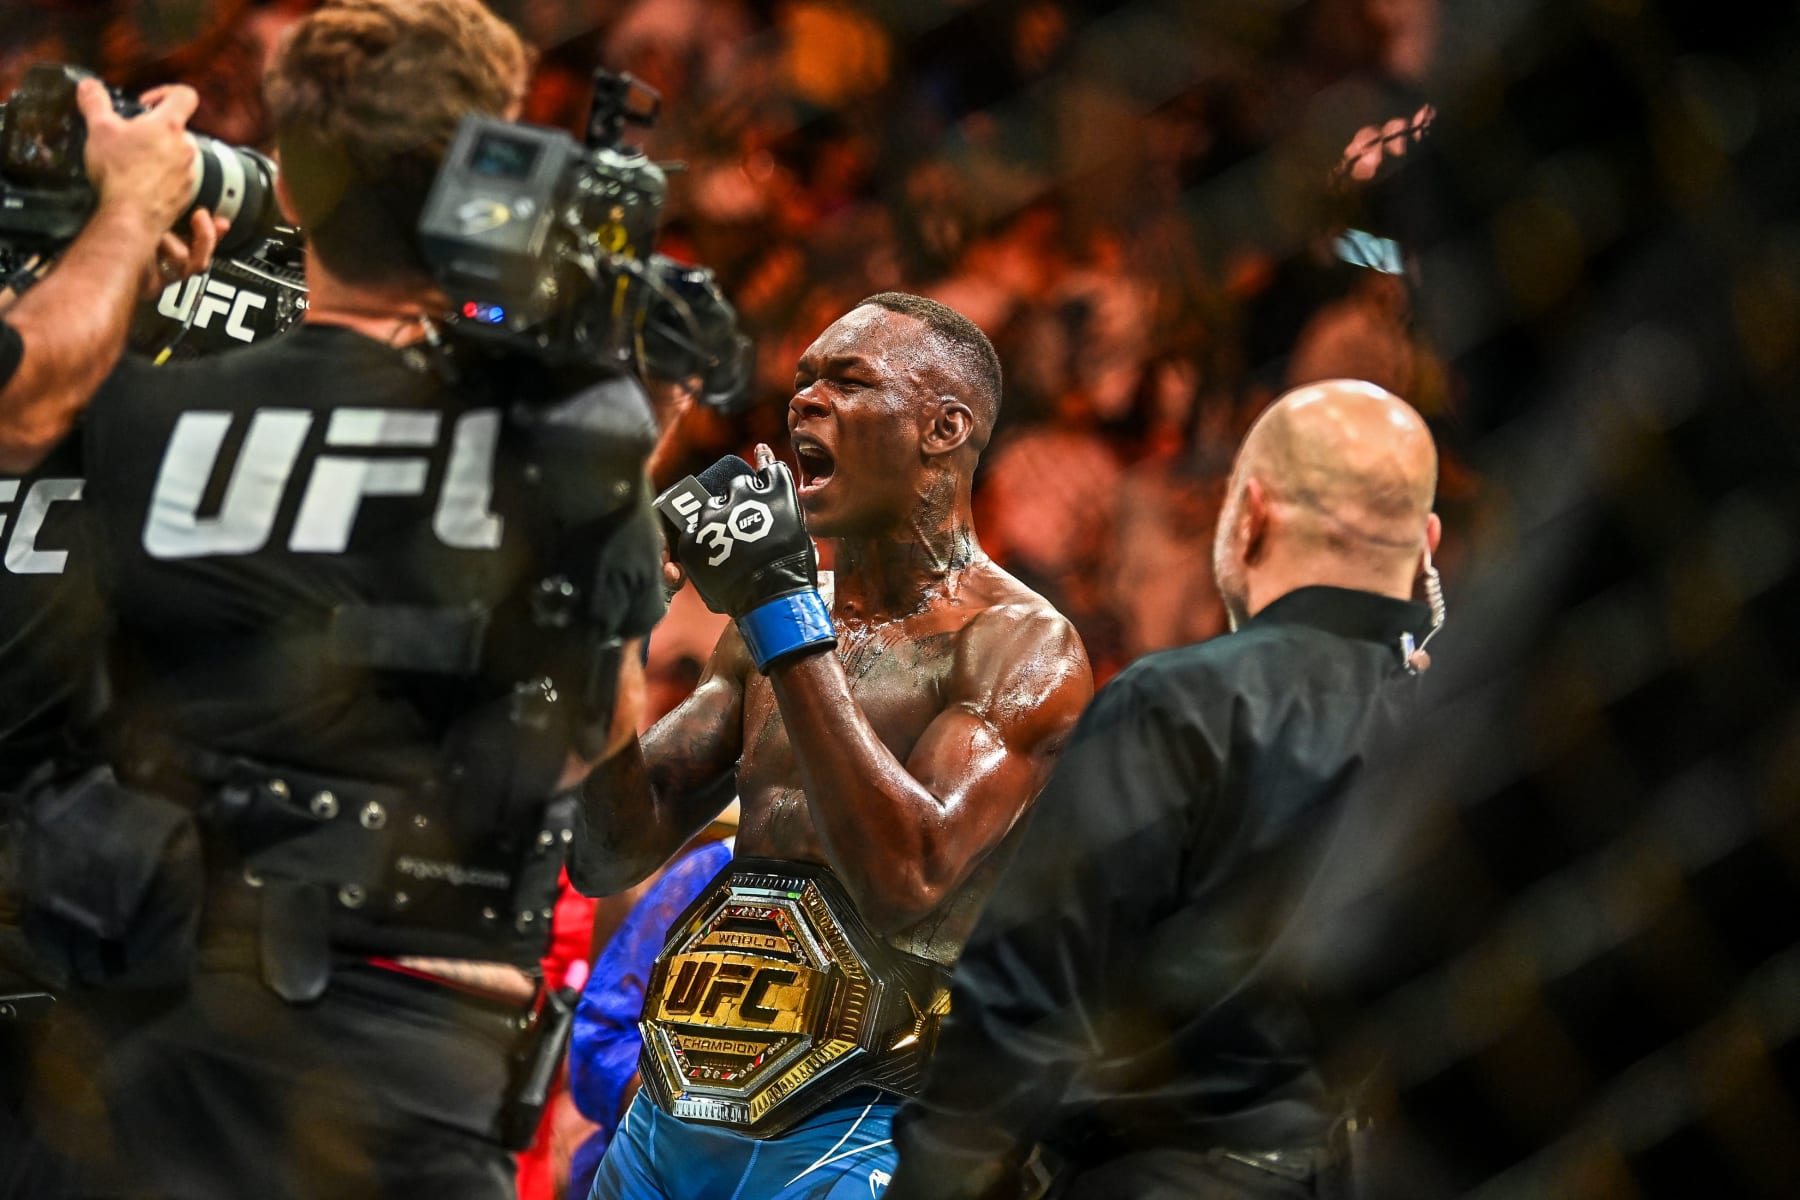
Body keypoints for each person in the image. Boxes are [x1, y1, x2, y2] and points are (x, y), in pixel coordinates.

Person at [13, 2, 665, 1196]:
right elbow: (607, 777)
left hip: (145, 1037)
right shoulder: (558, 439)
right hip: (413, 1056)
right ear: (489, 177)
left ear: (291, 185)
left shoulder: (137, 415)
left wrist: (126, 236)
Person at [573, 292, 1094, 1198]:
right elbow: (607, 850)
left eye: (849, 381)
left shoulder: (1021, 646)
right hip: (671, 1106)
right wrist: (613, 640)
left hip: (860, 1121)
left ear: (943, 428)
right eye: (804, 380)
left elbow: (906, 877)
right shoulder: (763, 624)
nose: (806, 401)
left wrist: (781, 613)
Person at [889, 378, 1444, 1200]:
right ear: (1425, 542)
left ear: (1251, 516)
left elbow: (1024, 999)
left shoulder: (1178, 703)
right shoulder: (1455, 732)